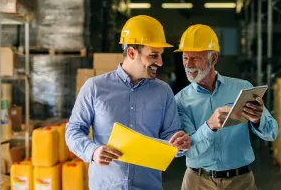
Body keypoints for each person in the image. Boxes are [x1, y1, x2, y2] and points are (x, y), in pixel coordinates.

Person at [65, 15, 191, 190]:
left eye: (161, 55)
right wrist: (92, 151)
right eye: (153, 55)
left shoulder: (163, 92)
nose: (160, 63)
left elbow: (170, 136)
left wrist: (179, 143)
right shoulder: (94, 87)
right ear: (132, 53)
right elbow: (73, 130)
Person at [174, 24, 278, 190]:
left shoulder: (242, 88)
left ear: (213, 59)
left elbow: (272, 133)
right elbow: (191, 151)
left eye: (195, 58)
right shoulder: (180, 100)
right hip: (197, 182)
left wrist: (258, 120)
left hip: (241, 181)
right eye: (185, 58)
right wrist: (209, 126)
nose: (188, 64)